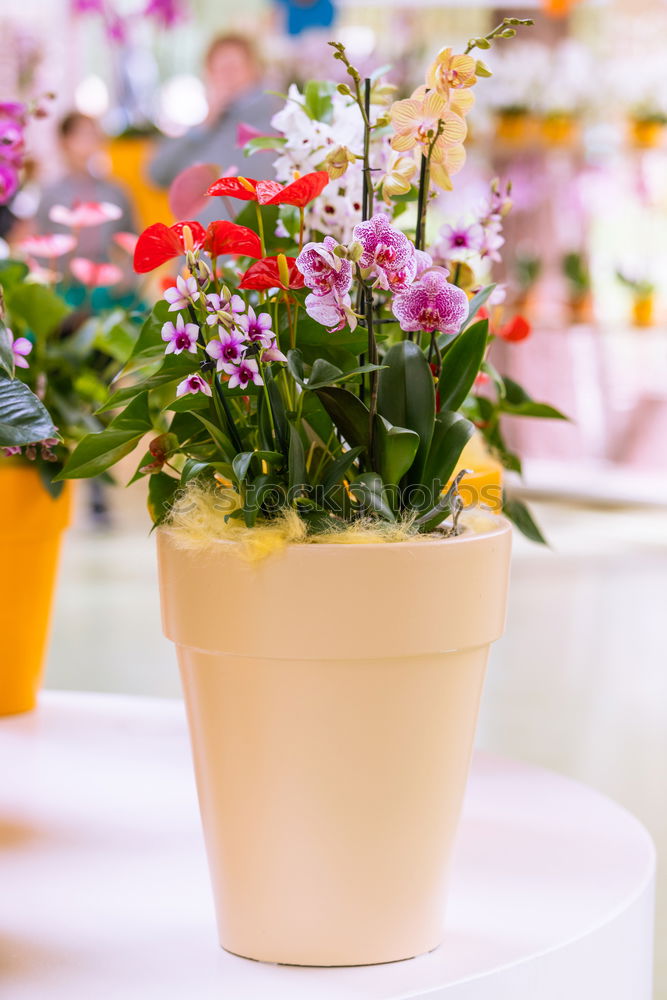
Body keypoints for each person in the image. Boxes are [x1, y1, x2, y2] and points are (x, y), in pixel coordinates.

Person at [149, 34, 278, 225]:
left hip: (259, 249)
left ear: (254, 70)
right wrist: (204, 127)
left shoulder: (276, 121)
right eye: (220, 69)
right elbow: (156, 175)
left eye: (233, 68)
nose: (227, 77)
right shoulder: (202, 131)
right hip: (200, 250)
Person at [35, 112, 136, 262]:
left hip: (108, 277)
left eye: (93, 136)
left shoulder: (115, 192)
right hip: (64, 279)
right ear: (64, 142)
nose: (88, 143)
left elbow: (132, 238)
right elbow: (41, 240)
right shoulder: (50, 193)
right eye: (81, 136)